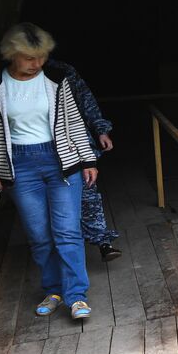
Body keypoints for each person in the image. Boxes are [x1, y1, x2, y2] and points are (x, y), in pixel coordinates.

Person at [0, 23, 99, 320]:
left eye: (42, 57)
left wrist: (87, 160)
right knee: (38, 234)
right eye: (30, 58)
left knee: (67, 231)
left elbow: (74, 121)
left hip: (60, 161)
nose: (38, 64)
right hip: (19, 166)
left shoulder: (56, 79)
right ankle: (54, 290)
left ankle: (76, 296)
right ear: (12, 55)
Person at [57, 61, 122, 261]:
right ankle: (66, 252)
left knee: (88, 194)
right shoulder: (7, 77)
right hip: (45, 154)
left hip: (75, 145)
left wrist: (101, 130)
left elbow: (86, 101)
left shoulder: (62, 71)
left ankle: (103, 242)